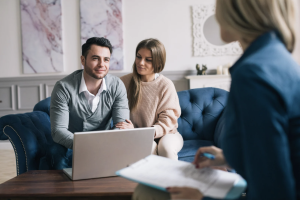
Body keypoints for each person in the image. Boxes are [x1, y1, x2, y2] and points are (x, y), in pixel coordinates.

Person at [134, 0, 300, 199]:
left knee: (145, 192)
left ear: (238, 12)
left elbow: (274, 187)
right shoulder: (275, 58)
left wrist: (200, 197)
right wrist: (227, 158)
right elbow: (273, 154)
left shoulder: (253, 73)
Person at [49, 37, 129, 169]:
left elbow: (122, 124)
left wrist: (106, 144)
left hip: (107, 144)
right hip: (72, 144)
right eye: (95, 58)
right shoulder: (63, 87)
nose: (101, 64)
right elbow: (59, 131)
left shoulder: (117, 85)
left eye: (106, 59)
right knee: (54, 153)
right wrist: (89, 145)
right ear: (83, 60)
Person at [116, 38, 184, 160]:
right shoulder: (124, 82)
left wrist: (141, 132)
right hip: (136, 134)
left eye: (148, 60)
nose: (141, 63)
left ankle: (172, 179)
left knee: (166, 149)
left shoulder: (165, 85)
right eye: (138, 57)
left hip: (168, 133)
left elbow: (167, 122)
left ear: (158, 63)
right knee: (149, 147)